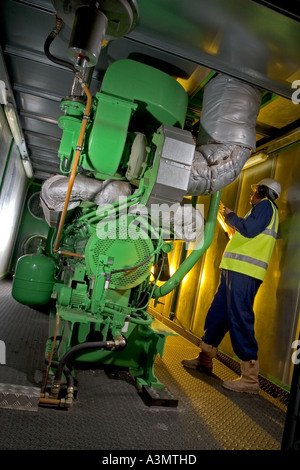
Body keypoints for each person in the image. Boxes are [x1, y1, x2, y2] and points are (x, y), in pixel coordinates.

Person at [182, 178, 281, 394]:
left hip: (245, 273)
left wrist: (230, 215)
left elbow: (249, 229)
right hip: (234, 271)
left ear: (263, 192)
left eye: (255, 190)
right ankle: (205, 359)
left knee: (240, 318)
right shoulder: (260, 211)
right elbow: (246, 235)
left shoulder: (266, 207)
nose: (251, 194)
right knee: (218, 315)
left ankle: (250, 379)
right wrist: (230, 223)